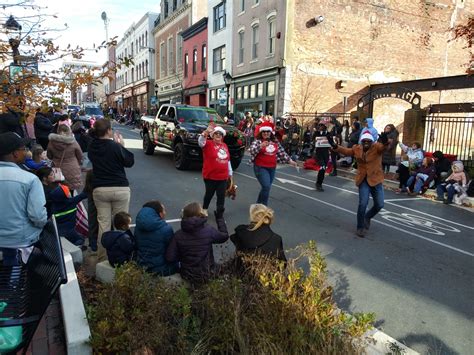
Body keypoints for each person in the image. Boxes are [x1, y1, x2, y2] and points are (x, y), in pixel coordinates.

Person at [88, 119, 134, 261]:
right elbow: (129, 161)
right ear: (108, 130)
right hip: (120, 187)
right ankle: (123, 256)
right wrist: (122, 145)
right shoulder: (115, 146)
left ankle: (103, 258)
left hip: (100, 189)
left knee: (104, 224)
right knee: (121, 223)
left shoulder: (92, 146)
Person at [0, 132, 47, 265]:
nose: (26, 152)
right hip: (20, 241)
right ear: (14, 154)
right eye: (23, 149)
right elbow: (38, 216)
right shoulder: (29, 179)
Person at [330, 131, 389, 238]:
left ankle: (367, 217)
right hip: (363, 179)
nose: (366, 142)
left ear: (372, 141)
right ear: (361, 141)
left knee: (380, 204)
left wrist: (385, 142)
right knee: (363, 203)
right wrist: (335, 146)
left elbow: (384, 148)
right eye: (364, 141)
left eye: (368, 141)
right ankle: (360, 227)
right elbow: (346, 151)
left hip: (376, 179)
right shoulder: (357, 148)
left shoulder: (377, 147)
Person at [165, 202, 229, 285]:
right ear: (200, 214)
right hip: (207, 273)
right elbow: (224, 236)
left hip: (187, 275)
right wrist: (220, 218)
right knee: (224, 268)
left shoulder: (178, 235)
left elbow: (170, 257)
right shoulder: (208, 230)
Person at [249, 122, 297, 205]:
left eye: (268, 132)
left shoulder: (275, 141)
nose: (266, 133)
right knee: (266, 186)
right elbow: (251, 151)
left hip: (272, 168)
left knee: (266, 188)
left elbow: (281, 152)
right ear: (261, 132)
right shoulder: (258, 141)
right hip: (260, 167)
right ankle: (264, 207)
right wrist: (260, 146)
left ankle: (258, 204)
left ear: (270, 133)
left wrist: (290, 161)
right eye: (264, 132)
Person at [135, 200, 178, 276]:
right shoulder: (166, 229)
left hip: (141, 266)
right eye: (164, 210)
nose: (165, 212)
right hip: (160, 269)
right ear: (160, 214)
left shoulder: (138, 227)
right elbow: (170, 252)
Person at [198, 125, 232, 218]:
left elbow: (228, 160)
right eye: (216, 133)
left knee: (221, 195)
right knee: (209, 193)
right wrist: (206, 132)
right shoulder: (208, 144)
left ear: (222, 136)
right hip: (210, 175)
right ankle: (204, 209)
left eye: (220, 134)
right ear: (212, 135)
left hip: (223, 176)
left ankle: (219, 211)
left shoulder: (224, 145)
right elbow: (200, 142)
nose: (218, 135)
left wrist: (230, 173)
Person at [47, 125, 83, 191]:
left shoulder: (51, 142)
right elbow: (80, 155)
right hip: (72, 167)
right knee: (71, 190)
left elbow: (49, 156)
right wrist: (79, 162)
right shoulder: (73, 142)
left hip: (57, 168)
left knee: (60, 189)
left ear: (58, 131)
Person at [312, 118, 334, 191]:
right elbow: (312, 141)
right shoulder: (316, 133)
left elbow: (332, 143)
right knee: (322, 167)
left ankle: (319, 183)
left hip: (326, 154)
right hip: (319, 154)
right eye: (320, 125)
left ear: (325, 126)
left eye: (322, 125)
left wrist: (336, 147)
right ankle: (319, 184)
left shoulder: (328, 134)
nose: (320, 127)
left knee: (323, 169)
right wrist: (314, 141)